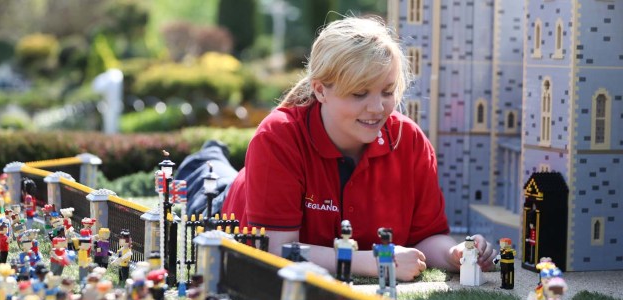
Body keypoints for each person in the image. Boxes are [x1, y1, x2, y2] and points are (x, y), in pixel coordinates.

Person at [180, 16, 496, 280]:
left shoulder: (411, 141)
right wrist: (378, 261)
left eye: (387, 92)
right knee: (208, 172)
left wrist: (456, 253)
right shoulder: (277, 136)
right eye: (359, 94)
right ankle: (209, 154)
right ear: (320, 90)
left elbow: (427, 238)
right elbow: (276, 250)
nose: (377, 108)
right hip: (219, 206)